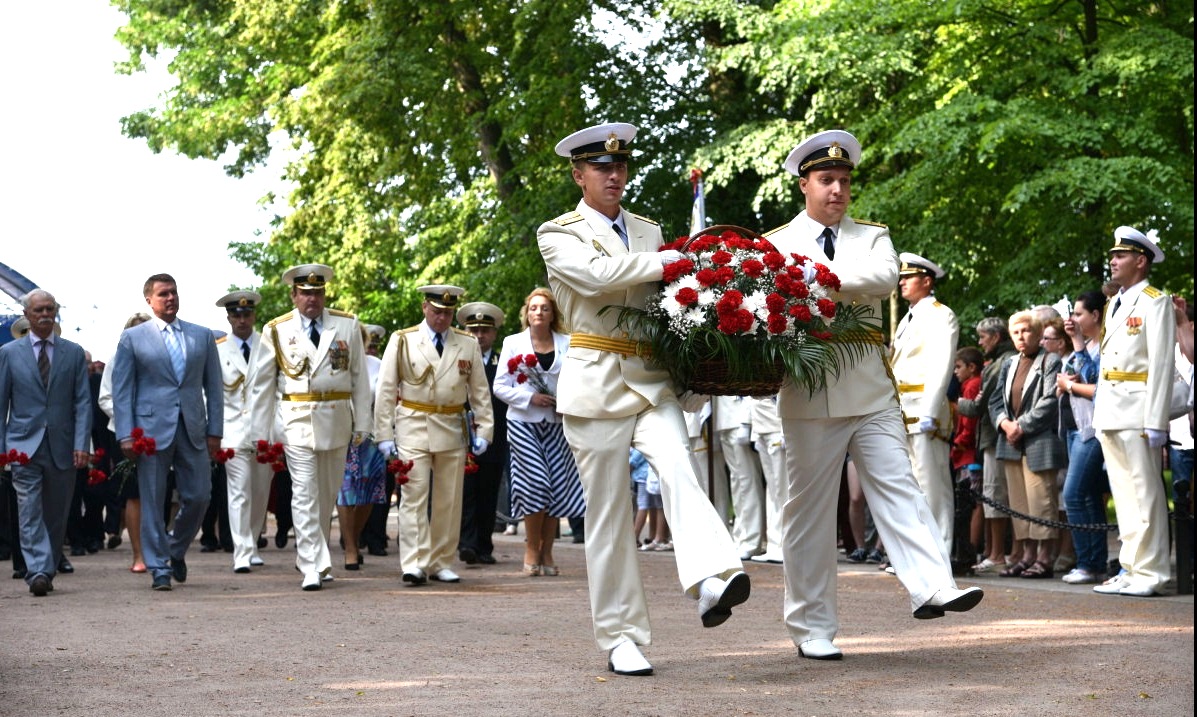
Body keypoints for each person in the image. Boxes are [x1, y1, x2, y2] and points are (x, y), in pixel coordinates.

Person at [537, 121, 749, 677]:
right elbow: (598, 277)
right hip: (593, 383)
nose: (614, 175)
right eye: (601, 168)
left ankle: (711, 578)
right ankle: (621, 637)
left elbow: (669, 310)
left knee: (680, 468)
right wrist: (676, 262)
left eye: (620, 166)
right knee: (609, 518)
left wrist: (698, 367)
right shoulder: (557, 233)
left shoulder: (649, 229)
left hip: (651, 378)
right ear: (579, 175)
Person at [763, 129, 981, 661]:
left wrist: (807, 279)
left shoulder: (874, 237)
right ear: (804, 185)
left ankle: (932, 583)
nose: (837, 189)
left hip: (869, 384)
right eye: (826, 180)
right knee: (809, 515)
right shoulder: (773, 243)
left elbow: (882, 279)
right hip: (809, 393)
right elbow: (772, 300)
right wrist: (824, 279)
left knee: (899, 484)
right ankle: (812, 628)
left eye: (843, 181)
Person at [250, 264, 373, 591]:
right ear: (294, 295)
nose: (312, 299)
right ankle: (311, 564)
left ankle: (317, 558)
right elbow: (262, 385)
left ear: (324, 294)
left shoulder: (347, 325)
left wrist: (363, 422)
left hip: (336, 418)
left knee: (327, 493)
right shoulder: (277, 329)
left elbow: (360, 378)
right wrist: (260, 434)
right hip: (296, 419)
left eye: (317, 292)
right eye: (305, 293)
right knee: (304, 493)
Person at [373, 285, 494, 586]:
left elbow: (479, 391)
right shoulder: (403, 340)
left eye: (448, 313)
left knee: (449, 498)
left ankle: (441, 561)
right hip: (413, 422)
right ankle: (414, 562)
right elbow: (387, 389)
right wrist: (383, 433)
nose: (442, 318)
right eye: (437, 311)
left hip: (452, 424)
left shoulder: (466, 342)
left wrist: (485, 429)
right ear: (425, 307)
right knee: (413, 496)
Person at [111, 274, 223, 591]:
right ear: (149, 300)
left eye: (174, 292)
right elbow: (122, 391)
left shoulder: (201, 336)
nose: (170, 298)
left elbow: (214, 388)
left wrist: (215, 430)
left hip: (193, 428)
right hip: (149, 431)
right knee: (153, 499)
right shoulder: (133, 338)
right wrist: (125, 435)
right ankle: (158, 566)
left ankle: (175, 549)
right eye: (163, 294)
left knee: (200, 495)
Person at [1092, 226, 1175, 597]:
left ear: (1141, 262)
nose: (1113, 261)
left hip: (1139, 410)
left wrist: (1156, 420)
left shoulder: (1155, 301)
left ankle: (1153, 572)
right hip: (1112, 408)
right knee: (1123, 495)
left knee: (1147, 495)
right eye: (1113, 256)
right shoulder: (1115, 303)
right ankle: (1131, 566)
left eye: (1120, 256)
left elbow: (1160, 363)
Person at [0, 290, 91, 596]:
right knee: (28, 510)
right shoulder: (9, 353)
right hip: (22, 445)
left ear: (56, 312)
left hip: (63, 446)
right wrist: (2, 450)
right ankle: (37, 569)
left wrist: (82, 445)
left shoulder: (73, 353)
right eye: (38, 310)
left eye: (50, 309)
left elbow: (82, 402)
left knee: (56, 513)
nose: (45, 314)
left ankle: (46, 567)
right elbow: (1, 406)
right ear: (26, 315)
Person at [492, 289, 584, 575]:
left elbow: (579, 380)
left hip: (557, 423)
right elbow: (499, 386)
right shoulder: (513, 343)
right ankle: (531, 547)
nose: (539, 312)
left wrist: (566, 404)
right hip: (523, 422)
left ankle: (547, 552)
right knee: (536, 482)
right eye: (534, 308)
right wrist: (530, 398)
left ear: (552, 313)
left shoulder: (568, 343)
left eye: (544, 308)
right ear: (527, 313)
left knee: (557, 485)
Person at [890, 252, 959, 558]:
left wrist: (931, 410)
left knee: (933, 488)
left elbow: (942, 365)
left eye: (908, 277)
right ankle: (918, 555)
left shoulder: (940, 314)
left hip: (924, 409)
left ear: (927, 281)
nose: (902, 282)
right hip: (904, 409)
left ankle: (939, 554)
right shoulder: (908, 317)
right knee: (911, 487)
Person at [988, 310, 1065, 580]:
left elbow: (1049, 401)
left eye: (1027, 331)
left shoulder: (1050, 360)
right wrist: (1005, 424)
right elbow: (995, 400)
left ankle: (1045, 558)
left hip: (1038, 440)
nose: (1022, 337)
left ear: (1038, 333)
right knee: (1019, 503)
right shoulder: (1009, 363)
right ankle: (1026, 556)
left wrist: (1021, 425)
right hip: (1010, 442)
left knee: (1041, 501)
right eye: (1016, 332)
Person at [212, 290, 271, 573]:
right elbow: (208, 394)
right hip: (232, 431)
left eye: (247, 314)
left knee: (260, 492)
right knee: (239, 492)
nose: (242, 319)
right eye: (236, 314)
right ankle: (242, 551)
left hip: (263, 431)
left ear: (254, 315)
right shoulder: (218, 349)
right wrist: (212, 432)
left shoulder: (270, 347)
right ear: (228, 317)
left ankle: (254, 542)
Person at [1055, 290, 1109, 584]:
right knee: (1087, 496)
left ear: (1095, 315)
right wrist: (1064, 384)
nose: (1073, 319)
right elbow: (1077, 379)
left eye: (1078, 314)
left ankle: (1088, 563)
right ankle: (1094, 563)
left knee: (1073, 494)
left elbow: (1097, 386)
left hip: (1092, 428)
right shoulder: (1086, 344)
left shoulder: (1104, 346)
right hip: (1077, 426)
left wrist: (1070, 385)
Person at [958, 317, 1017, 573]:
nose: (981, 342)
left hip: (994, 436)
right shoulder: (996, 363)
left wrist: (954, 402)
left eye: (983, 337)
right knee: (992, 496)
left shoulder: (1000, 363)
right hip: (992, 436)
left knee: (995, 496)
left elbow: (980, 405)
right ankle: (994, 552)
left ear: (995, 337)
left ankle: (997, 554)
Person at [98, 313, 153, 573]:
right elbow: (105, 398)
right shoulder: (116, 360)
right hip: (126, 435)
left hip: (159, 433)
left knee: (158, 493)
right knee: (134, 494)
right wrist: (130, 423)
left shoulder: (164, 360)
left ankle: (157, 549)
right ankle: (138, 554)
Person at [456, 302, 509, 567]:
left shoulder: (504, 362)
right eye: (474, 330)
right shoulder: (458, 359)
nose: (479, 336)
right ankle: (466, 544)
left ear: (494, 333)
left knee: (489, 492)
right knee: (466, 493)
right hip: (461, 436)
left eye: (485, 330)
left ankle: (484, 545)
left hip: (495, 437)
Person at [713, 396, 765, 559]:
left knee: (747, 482)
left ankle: (751, 540)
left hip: (738, 418)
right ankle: (741, 536)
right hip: (724, 420)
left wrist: (746, 421)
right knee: (737, 484)